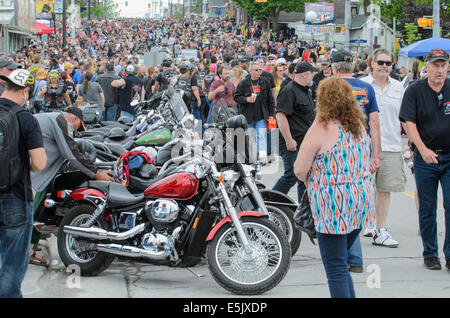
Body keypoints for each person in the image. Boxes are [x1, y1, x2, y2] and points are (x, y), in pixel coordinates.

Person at [294, 76, 375, 298]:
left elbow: (300, 169)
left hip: (332, 205)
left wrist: (312, 180)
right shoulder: (358, 125)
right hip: (361, 201)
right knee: (340, 262)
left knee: (336, 268)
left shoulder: (321, 127)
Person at [30, 107, 115, 258]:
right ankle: (27, 250)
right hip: (30, 171)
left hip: (35, 169)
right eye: (78, 126)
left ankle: (30, 246)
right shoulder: (61, 122)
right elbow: (71, 152)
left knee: (36, 207)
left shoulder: (53, 118)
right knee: (32, 209)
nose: (76, 131)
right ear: (74, 119)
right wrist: (96, 174)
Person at [399, 48, 450, 271]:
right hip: (425, 157)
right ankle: (430, 253)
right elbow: (408, 123)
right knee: (427, 208)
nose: (439, 70)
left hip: (449, 156)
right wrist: (423, 149)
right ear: (426, 67)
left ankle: (449, 255)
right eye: (435, 65)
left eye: (443, 65)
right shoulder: (415, 90)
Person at [331, 50, 380, 273]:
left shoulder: (330, 87)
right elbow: (375, 124)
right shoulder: (367, 88)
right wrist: (375, 154)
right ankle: (355, 258)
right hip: (361, 146)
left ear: (334, 68)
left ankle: (344, 255)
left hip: (336, 148)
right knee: (357, 199)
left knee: (338, 201)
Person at [0, 69, 47, 297]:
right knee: (12, 262)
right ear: (26, 91)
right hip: (15, 197)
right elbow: (39, 163)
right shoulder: (26, 119)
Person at [360, 48, 406, 247]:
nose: (384, 67)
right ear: (372, 63)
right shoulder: (361, 85)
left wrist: (411, 145)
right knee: (363, 187)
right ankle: (367, 222)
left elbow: (405, 118)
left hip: (390, 143)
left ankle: (381, 229)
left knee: (384, 189)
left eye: (388, 63)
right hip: (363, 145)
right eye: (381, 62)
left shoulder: (398, 87)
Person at [272, 62, 317, 201]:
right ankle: (270, 201)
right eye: (312, 74)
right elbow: (280, 116)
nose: (313, 77)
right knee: (291, 175)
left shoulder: (306, 90)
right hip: (292, 142)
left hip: (305, 141)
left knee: (304, 176)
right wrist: (289, 140)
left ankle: (303, 208)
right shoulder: (289, 90)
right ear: (305, 74)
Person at [234, 61, 275, 163]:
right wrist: (246, 100)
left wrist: (271, 115)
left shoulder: (265, 81)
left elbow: (270, 99)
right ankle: (253, 158)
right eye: (256, 70)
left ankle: (262, 158)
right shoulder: (244, 82)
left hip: (261, 115)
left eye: (260, 70)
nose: (259, 72)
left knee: (261, 136)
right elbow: (236, 97)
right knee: (251, 138)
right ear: (251, 71)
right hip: (249, 116)